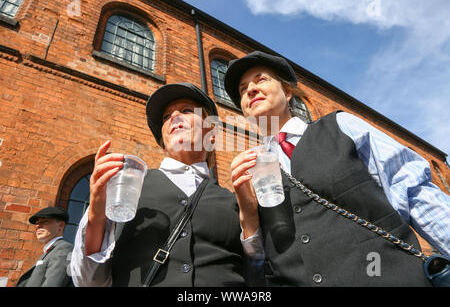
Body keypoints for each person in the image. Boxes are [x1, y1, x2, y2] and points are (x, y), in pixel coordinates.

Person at [224, 50, 450, 286]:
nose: (250, 90)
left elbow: (413, 192)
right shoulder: (251, 173)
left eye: (261, 80)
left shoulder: (341, 126)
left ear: (288, 92)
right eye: (242, 90)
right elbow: (261, 262)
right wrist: (248, 216)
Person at [70, 83, 263, 287]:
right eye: (166, 116)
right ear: (163, 140)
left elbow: (258, 269)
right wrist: (96, 211)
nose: (174, 117)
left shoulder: (234, 200)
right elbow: (89, 282)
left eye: (187, 110)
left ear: (211, 134)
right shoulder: (127, 187)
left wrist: (250, 215)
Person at [16, 206, 73, 287]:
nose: (38, 226)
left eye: (45, 221)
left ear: (61, 225)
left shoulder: (63, 248)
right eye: (37, 223)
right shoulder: (49, 251)